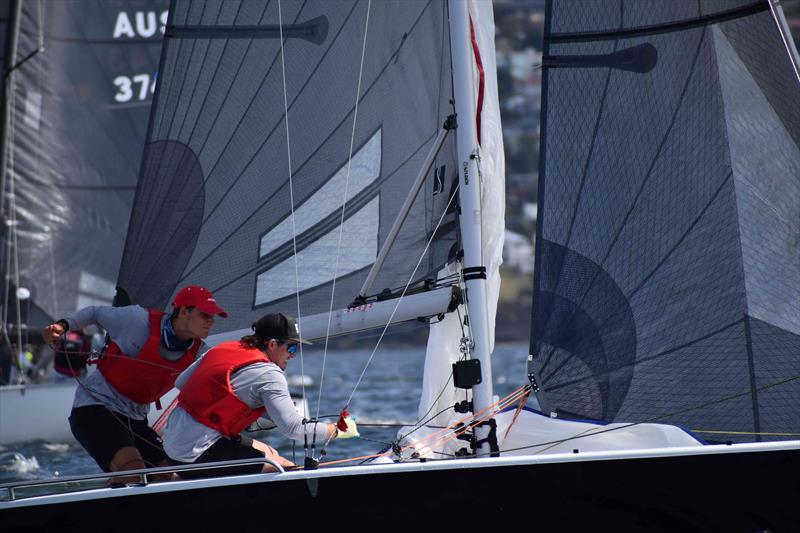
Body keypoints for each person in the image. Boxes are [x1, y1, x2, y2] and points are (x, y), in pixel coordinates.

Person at [41, 285, 227, 480]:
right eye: (205, 315)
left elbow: (221, 381)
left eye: (213, 317)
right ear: (184, 311)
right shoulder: (137, 321)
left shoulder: (200, 354)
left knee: (168, 476)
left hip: (135, 419)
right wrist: (63, 325)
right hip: (95, 409)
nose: (211, 322)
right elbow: (95, 313)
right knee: (133, 471)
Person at [162, 312, 358, 479]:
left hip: (172, 440)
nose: (293, 354)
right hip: (196, 453)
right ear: (272, 344)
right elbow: (294, 428)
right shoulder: (269, 374)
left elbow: (181, 382)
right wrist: (338, 430)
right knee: (282, 469)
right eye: (291, 347)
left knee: (271, 452)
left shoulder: (224, 348)